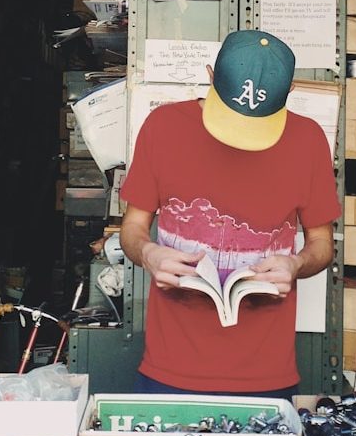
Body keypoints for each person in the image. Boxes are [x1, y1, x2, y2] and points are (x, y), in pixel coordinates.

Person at [120, 29, 341, 398]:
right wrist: (149, 253)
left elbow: (322, 243)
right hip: (169, 366)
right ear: (209, 75)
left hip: (266, 373)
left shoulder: (308, 139)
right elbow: (132, 227)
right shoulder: (163, 127)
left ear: (287, 96)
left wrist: (295, 265)